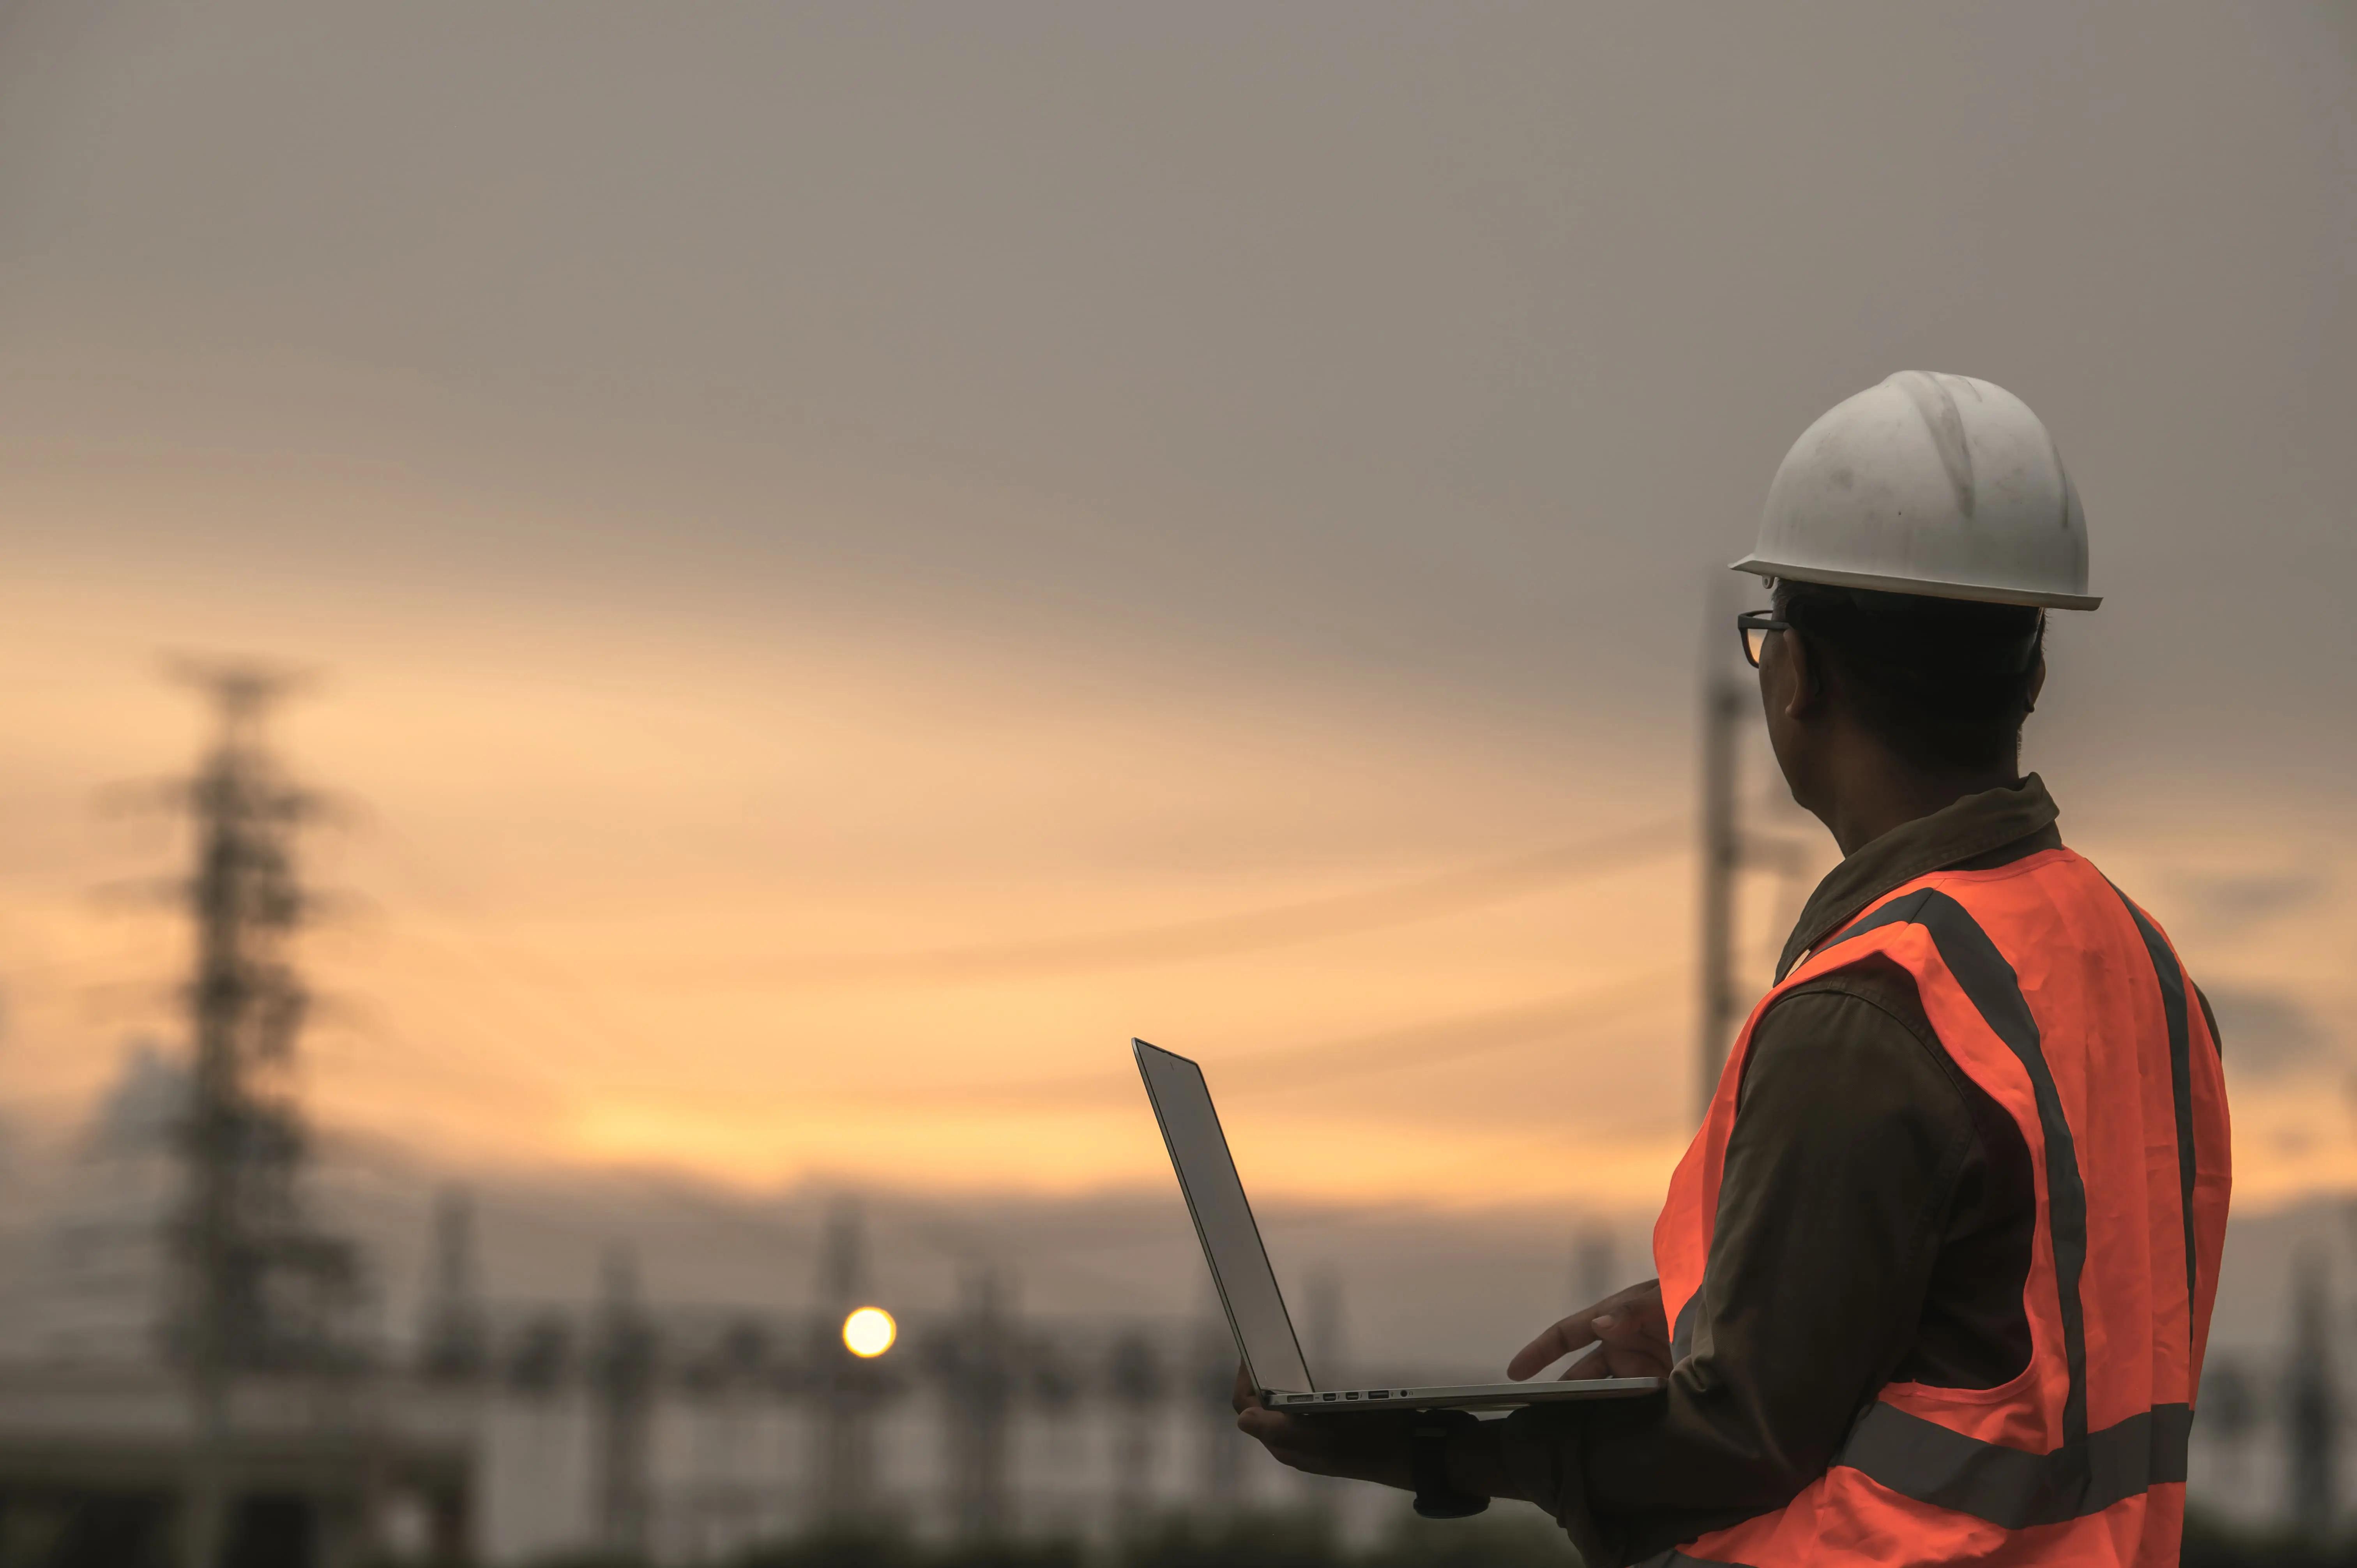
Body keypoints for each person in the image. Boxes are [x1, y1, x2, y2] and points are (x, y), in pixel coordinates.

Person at [1234, 371, 2230, 1566]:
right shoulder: (2146, 972)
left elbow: (1731, 1445)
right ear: (2033, 675)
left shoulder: (1874, 1011)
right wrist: (1721, 1308)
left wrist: (1428, 1450)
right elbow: (2020, 1328)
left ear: (1795, 675)